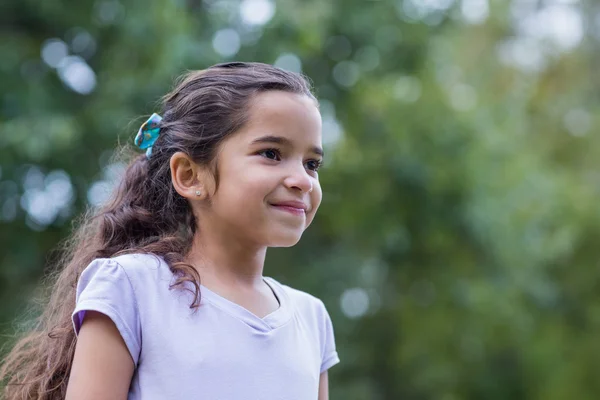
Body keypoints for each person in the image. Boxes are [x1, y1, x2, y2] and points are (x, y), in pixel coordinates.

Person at [0, 62, 340, 399]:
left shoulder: (311, 319)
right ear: (190, 176)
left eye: (312, 164)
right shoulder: (132, 288)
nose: (302, 181)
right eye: (271, 153)